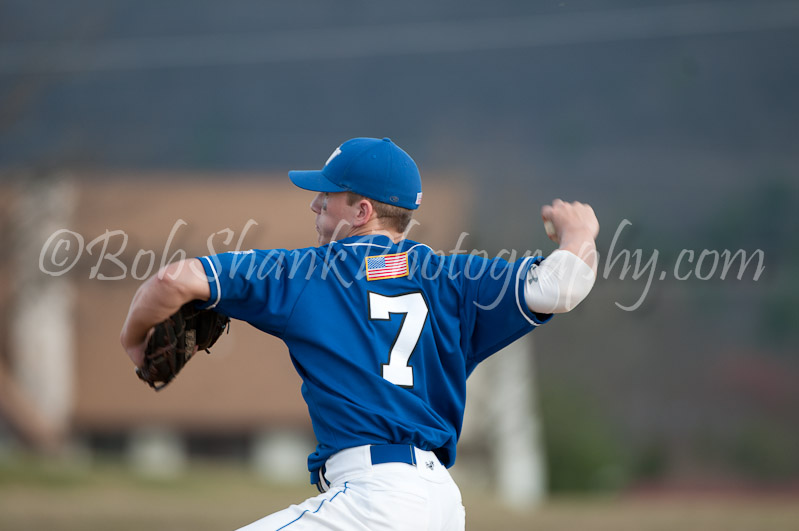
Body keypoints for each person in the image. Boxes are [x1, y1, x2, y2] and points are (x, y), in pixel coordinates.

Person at [120, 137, 599, 530]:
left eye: (327, 197)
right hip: (441, 507)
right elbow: (560, 286)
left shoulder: (305, 272)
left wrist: (135, 341)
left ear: (362, 210)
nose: (315, 204)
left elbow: (172, 280)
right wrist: (580, 234)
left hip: (374, 500)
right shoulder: (454, 279)